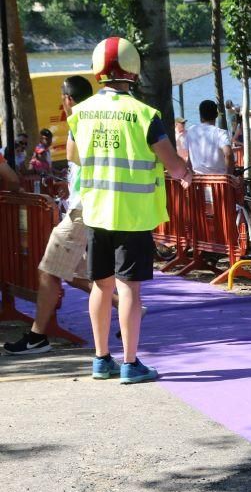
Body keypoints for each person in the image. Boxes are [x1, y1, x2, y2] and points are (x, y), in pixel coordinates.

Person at [67, 36, 192, 383]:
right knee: (129, 290)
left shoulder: (80, 113)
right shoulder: (144, 115)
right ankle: (131, 362)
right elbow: (171, 162)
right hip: (132, 215)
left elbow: (74, 155)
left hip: (95, 212)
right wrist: (186, 172)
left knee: (100, 287)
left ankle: (100, 358)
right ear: (133, 71)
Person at [3, 76, 127, 356]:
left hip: (82, 209)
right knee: (71, 271)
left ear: (67, 99)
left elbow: (73, 157)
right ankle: (127, 305)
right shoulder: (98, 120)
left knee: (48, 268)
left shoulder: (79, 121)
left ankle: (38, 336)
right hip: (93, 204)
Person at [184, 100, 234, 175]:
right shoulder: (220, 133)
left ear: (200, 115)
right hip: (219, 181)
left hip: (198, 179)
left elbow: (189, 159)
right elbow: (228, 154)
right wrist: (229, 176)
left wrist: (191, 176)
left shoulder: (191, 131)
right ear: (216, 115)